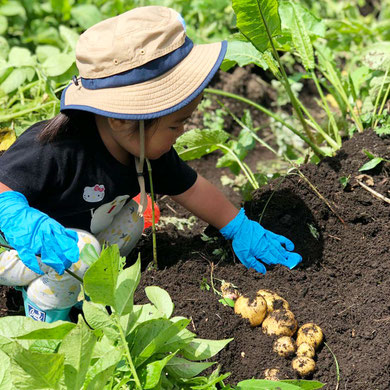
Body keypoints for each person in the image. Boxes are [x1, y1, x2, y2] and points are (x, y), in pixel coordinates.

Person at [0, 6, 302, 323]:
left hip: (73, 246)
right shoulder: (53, 148)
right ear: (121, 119)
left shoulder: (143, 150)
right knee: (83, 248)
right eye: (175, 126)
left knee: (131, 219)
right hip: (20, 250)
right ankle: (44, 311)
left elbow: (193, 189)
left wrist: (238, 227)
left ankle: (84, 286)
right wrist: (24, 222)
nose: (183, 131)